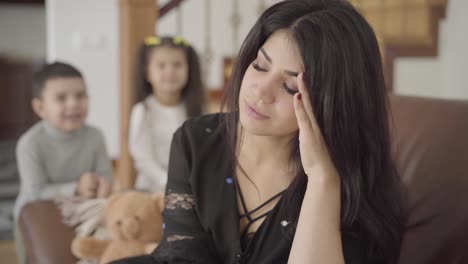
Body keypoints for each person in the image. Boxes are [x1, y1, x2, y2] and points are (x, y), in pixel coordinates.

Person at [114, 0, 405, 263]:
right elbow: (182, 256)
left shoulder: (359, 186)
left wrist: (322, 180)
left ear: (335, 103)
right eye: (260, 65)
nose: (260, 92)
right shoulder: (196, 139)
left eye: (290, 87)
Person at [14, 62, 113, 264]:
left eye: (80, 96)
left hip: (82, 216)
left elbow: (106, 176)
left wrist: (103, 186)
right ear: (40, 107)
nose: (73, 104)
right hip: (38, 216)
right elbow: (35, 192)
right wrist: (76, 188)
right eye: (61, 98)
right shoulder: (29, 143)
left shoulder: (95, 136)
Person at [129, 36, 204, 193]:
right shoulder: (142, 111)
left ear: (189, 70)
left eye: (177, 65)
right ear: (147, 72)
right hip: (151, 189)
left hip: (190, 187)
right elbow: (143, 160)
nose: (170, 71)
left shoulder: (196, 110)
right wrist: (169, 182)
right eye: (161, 66)